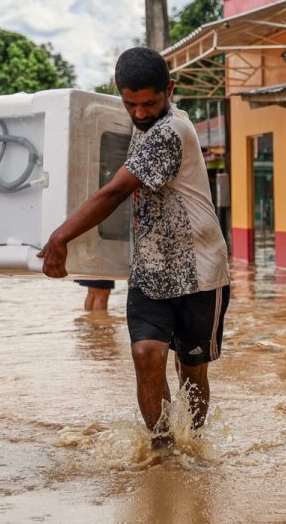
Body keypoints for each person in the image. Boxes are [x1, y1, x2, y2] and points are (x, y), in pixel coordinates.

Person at [38, 47, 230, 441]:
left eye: (150, 103)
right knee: (146, 355)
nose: (140, 113)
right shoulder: (141, 124)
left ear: (170, 90)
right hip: (148, 269)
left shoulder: (169, 131)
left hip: (200, 272)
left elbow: (113, 193)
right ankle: (162, 451)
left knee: (191, 370)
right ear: (118, 93)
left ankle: (190, 445)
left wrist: (60, 237)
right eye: (131, 104)